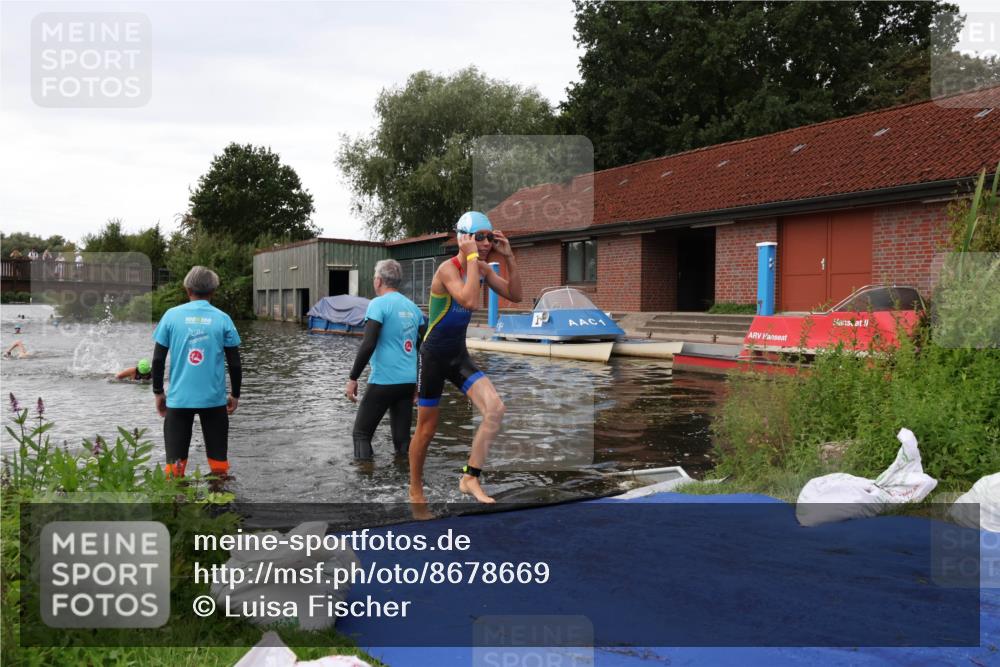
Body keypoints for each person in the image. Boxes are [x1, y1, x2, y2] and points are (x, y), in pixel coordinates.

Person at [408, 211, 522, 504]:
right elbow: (469, 300)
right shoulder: (447, 270)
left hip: (458, 354)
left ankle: (469, 477)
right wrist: (472, 258)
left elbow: (516, 294)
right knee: (427, 428)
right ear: (464, 238)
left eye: (490, 237)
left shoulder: (481, 269)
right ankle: (415, 490)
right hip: (432, 356)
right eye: (480, 237)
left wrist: (509, 258)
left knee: (495, 409)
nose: (486, 243)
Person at [152, 266, 242, 479]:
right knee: (219, 466)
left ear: (187, 288)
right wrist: (235, 395)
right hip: (214, 402)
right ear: (213, 291)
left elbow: (157, 359)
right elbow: (235, 364)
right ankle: (219, 504)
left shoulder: (171, 316)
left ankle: (177, 506)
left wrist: (158, 392)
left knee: (174, 470)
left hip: (178, 401)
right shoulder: (223, 319)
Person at [346, 260, 426, 460]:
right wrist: (419, 383)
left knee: (361, 435)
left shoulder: (378, 304)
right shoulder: (414, 309)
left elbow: (368, 343)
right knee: (402, 441)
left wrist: (353, 377)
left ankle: (365, 480)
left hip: (383, 380)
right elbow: (424, 349)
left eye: (374, 277)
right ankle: (407, 480)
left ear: (379, 280)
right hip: (407, 383)